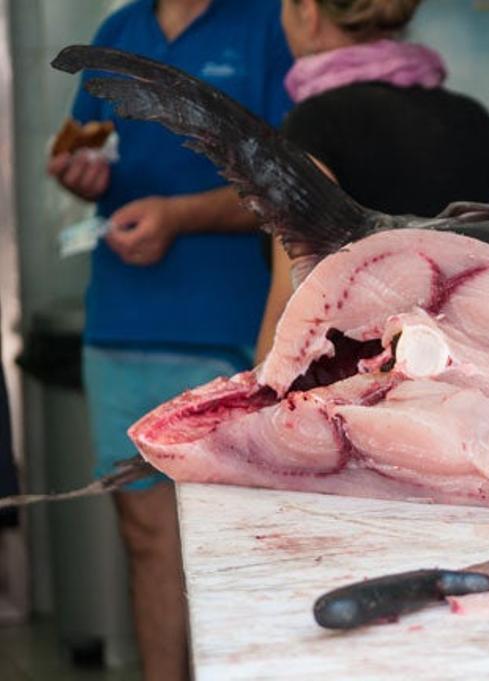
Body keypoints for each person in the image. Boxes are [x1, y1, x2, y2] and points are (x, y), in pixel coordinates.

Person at [45, 1, 292, 678]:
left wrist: (180, 216)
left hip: (234, 327)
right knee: (145, 535)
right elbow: (79, 145)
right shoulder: (117, 31)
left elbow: (294, 185)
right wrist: (73, 168)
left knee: (236, 543)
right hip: (121, 320)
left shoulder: (271, 25)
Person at [255, 0, 489, 360]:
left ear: (308, 12)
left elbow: (292, 309)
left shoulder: (311, 128)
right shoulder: (477, 122)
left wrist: (257, 402)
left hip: (355, 395)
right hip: (468, 388)